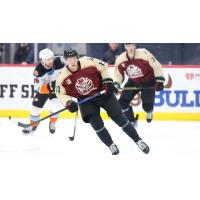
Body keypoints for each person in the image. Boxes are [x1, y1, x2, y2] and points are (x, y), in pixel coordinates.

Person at [55, 48, 150, 155]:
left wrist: (107, 82)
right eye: (69, 59)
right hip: (86, 100)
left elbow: (104, 67)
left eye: (73, 58)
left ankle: (138, 140)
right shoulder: (62, 76)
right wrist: (68, 102)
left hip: (103, 93)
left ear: (77, 57)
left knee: (119, 118)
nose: (72, 61)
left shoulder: (88, 61)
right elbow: (60, 93)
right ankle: (111, 145)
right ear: (65, 61)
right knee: (96, 124)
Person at [113, 43, 165, 125]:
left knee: (147, 107)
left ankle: (149, 111)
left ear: (135, 46)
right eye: (128, 45)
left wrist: (160, 80)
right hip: (133, 81)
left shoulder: (144, 53)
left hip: (148, 81)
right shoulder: (120, 59)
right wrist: (116, 84)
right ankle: (132, 120)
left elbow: (156, 66)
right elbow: (118, 73)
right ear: (125, 46)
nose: (130, 47)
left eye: (132, 45)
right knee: (122, 103)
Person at [22, 48, 65, 134]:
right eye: (48, 59)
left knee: (56, 104)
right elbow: (38, 88)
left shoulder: (60, 60)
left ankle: (52, 122)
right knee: (35, 107)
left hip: (56, 87)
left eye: (52, 58)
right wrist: (49, 86)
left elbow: (72, 63)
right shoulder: (38, 71)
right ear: (42, 61)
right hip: (44, 89)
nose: (51, 61)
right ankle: (33, 125)